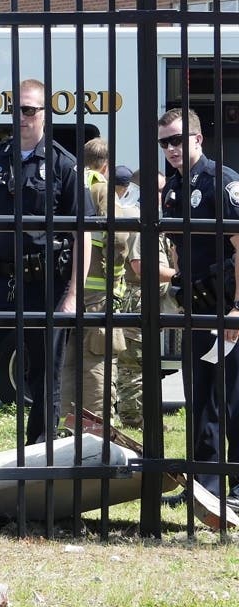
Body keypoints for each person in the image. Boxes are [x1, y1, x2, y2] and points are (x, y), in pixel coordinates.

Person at [0, 78, 90, 461]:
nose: (22, 117)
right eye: (16, 110)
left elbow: (83, 234)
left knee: (46, 379)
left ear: (46, 113)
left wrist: (73, 294)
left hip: (45, 285)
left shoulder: (65, 165)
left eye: (30, 110)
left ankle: (38, 462)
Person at [158, 108, 239, 512]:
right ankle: (205, 486)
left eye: (178, 139)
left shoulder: (222, 182)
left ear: (198, 138)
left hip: (228, 308)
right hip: (198, 308)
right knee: (201, 398)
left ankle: (238, 486)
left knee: (234, 399)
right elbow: (177, 245)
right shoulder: (172, 187)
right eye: (165, 142)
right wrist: (176, 283)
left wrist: (238, 310)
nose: (171, 148)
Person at [59, 140, 136, 424]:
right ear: (106, 165)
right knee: (96, 362)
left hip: (68, 292)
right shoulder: (102, 188)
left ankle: (66, 426)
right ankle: (96, 430)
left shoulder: (70, 181)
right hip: (97, 294)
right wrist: (114, 274)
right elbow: (118, 236)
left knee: (67, 362)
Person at [115, 167, 177, 428]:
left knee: (146, 362)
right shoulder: (141, 222)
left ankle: (143, 416)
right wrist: (176, 276)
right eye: (158, 191)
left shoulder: (154, 221)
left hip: (150, 301)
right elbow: (141, 268)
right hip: (137, 300)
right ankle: (134, 419)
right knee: (134, 365)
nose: (163, 196)